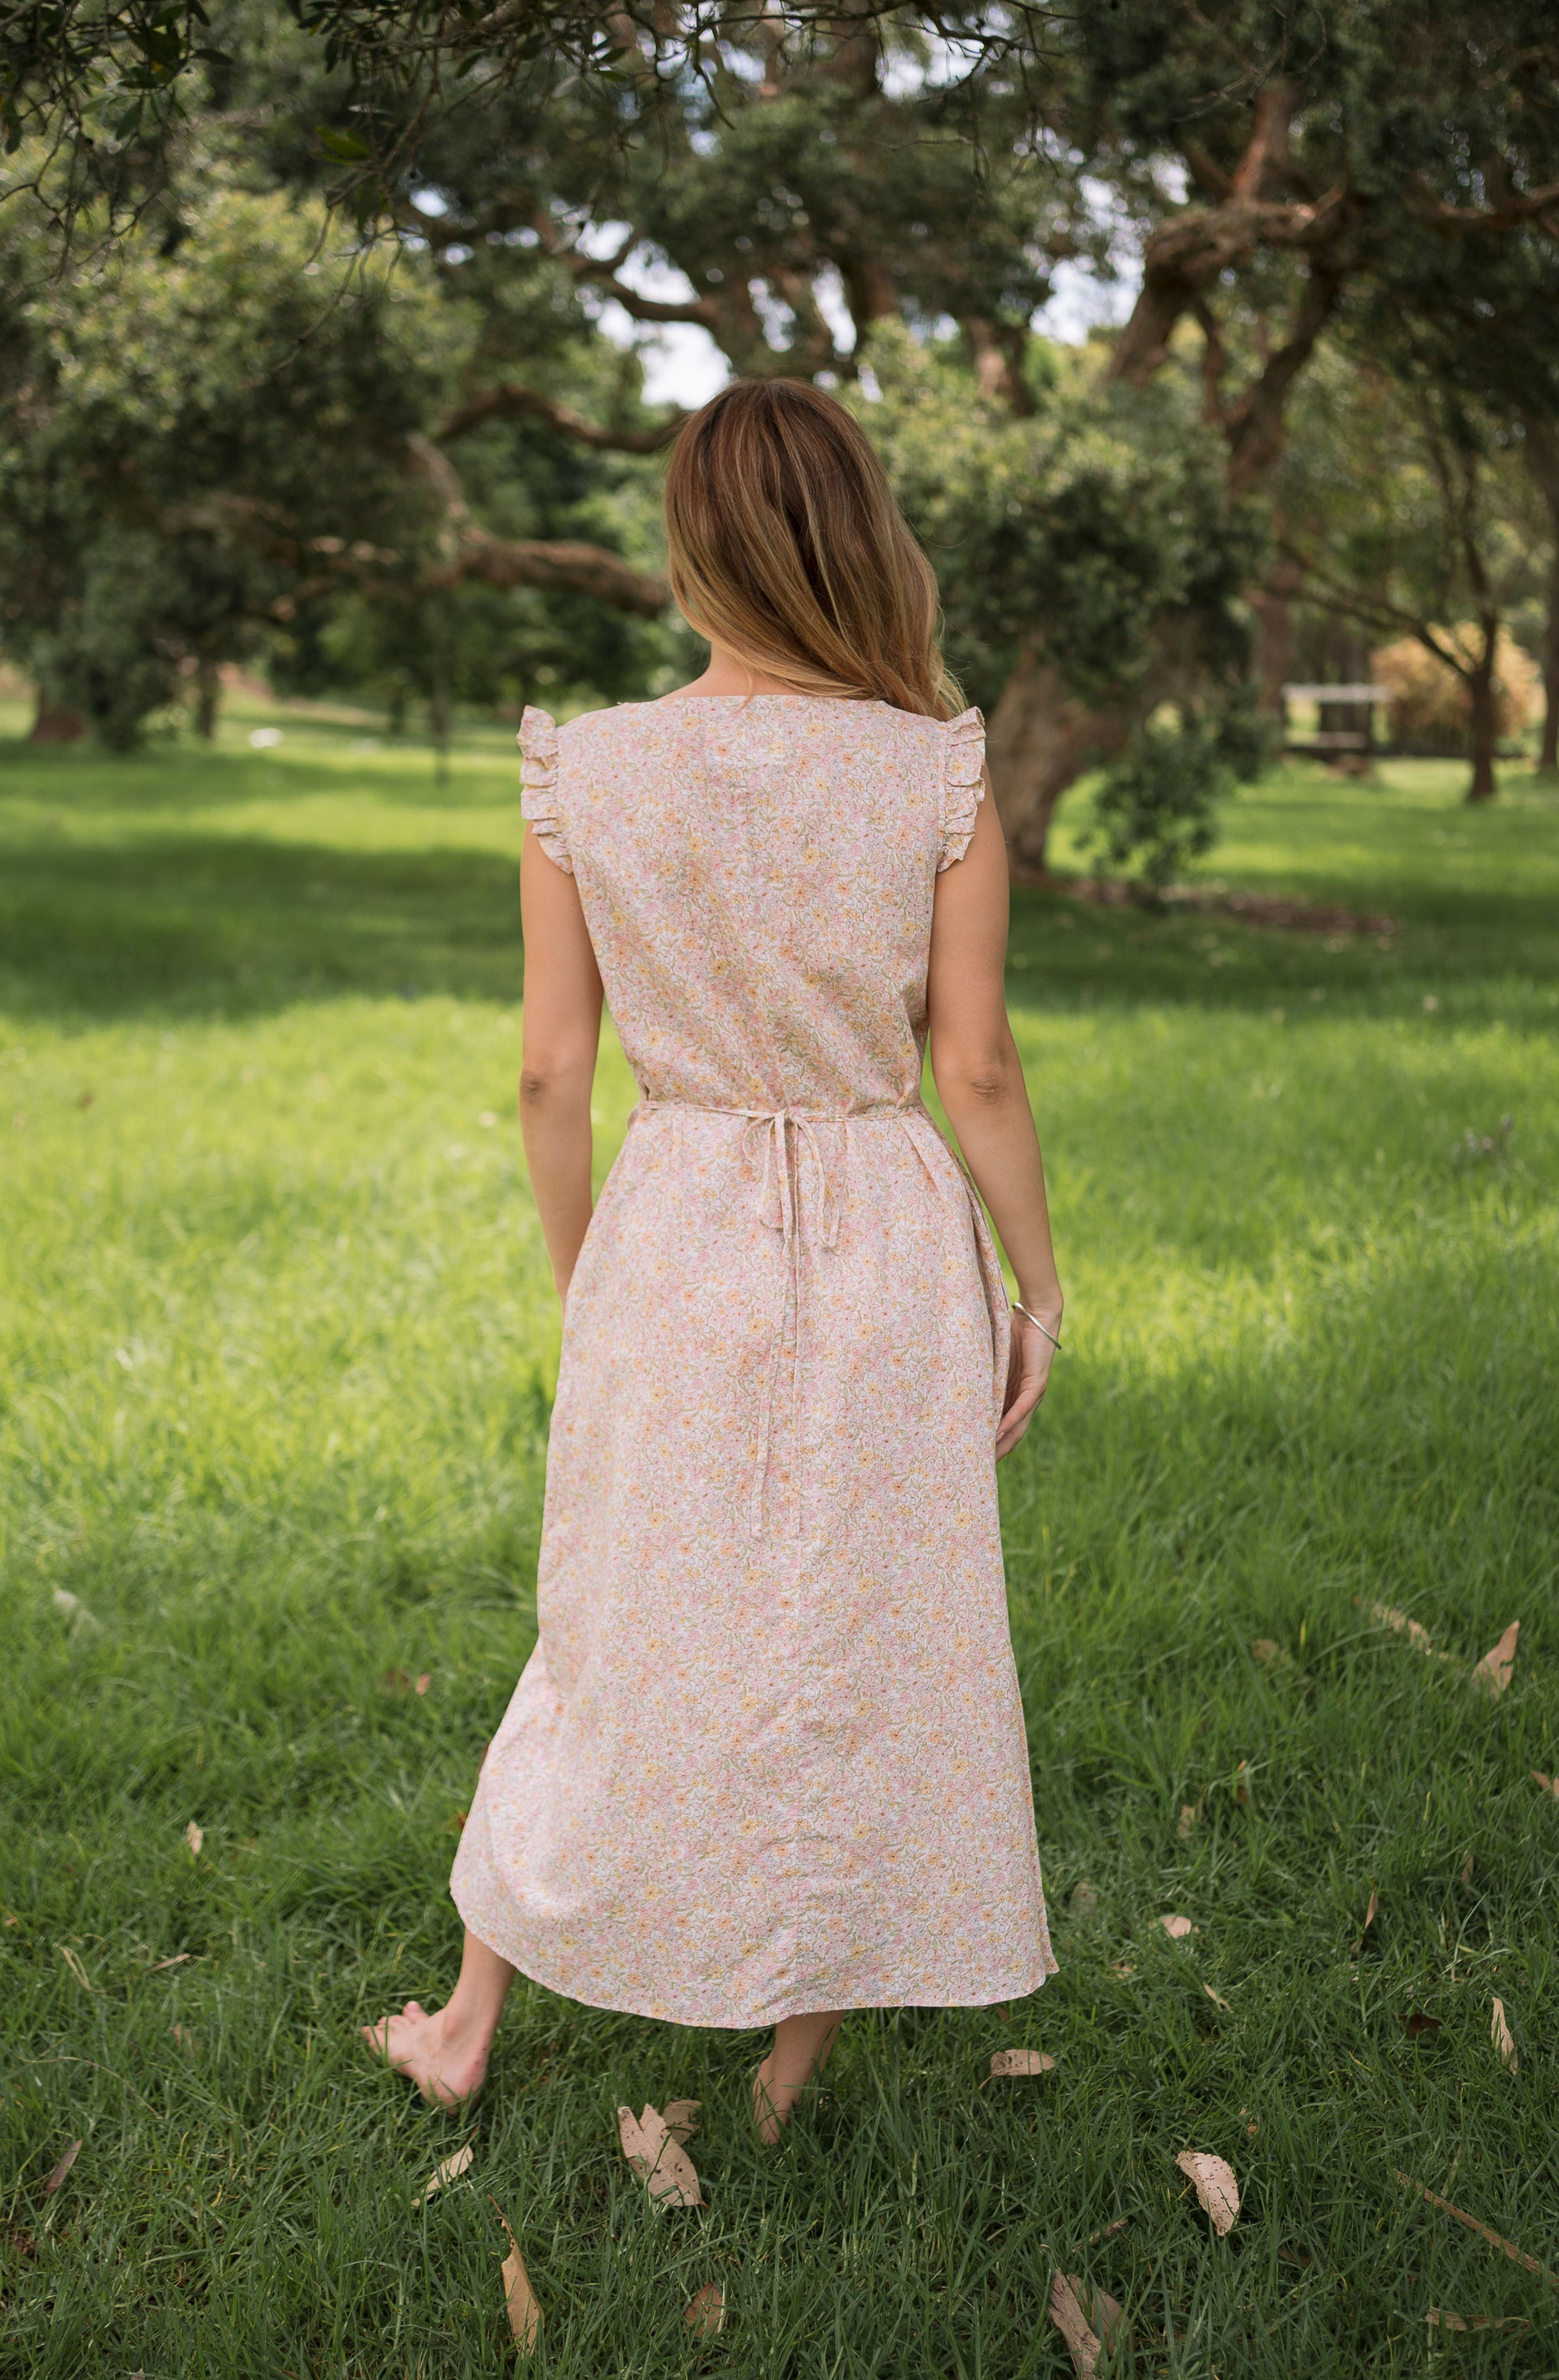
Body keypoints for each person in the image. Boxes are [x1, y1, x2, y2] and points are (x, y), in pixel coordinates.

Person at [364, 377, 1062, 2143]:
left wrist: (585, 1275)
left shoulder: (590, 767)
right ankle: (783, 2062)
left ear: (692, 548)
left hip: (674, 1218)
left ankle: (467, 2019)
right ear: (857, 540)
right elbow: (976, 1064)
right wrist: (1038, 1285)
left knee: (608, 1613)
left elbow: (550, 1070)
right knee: (853, 1618)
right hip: (886, 1229)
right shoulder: (933, 767)